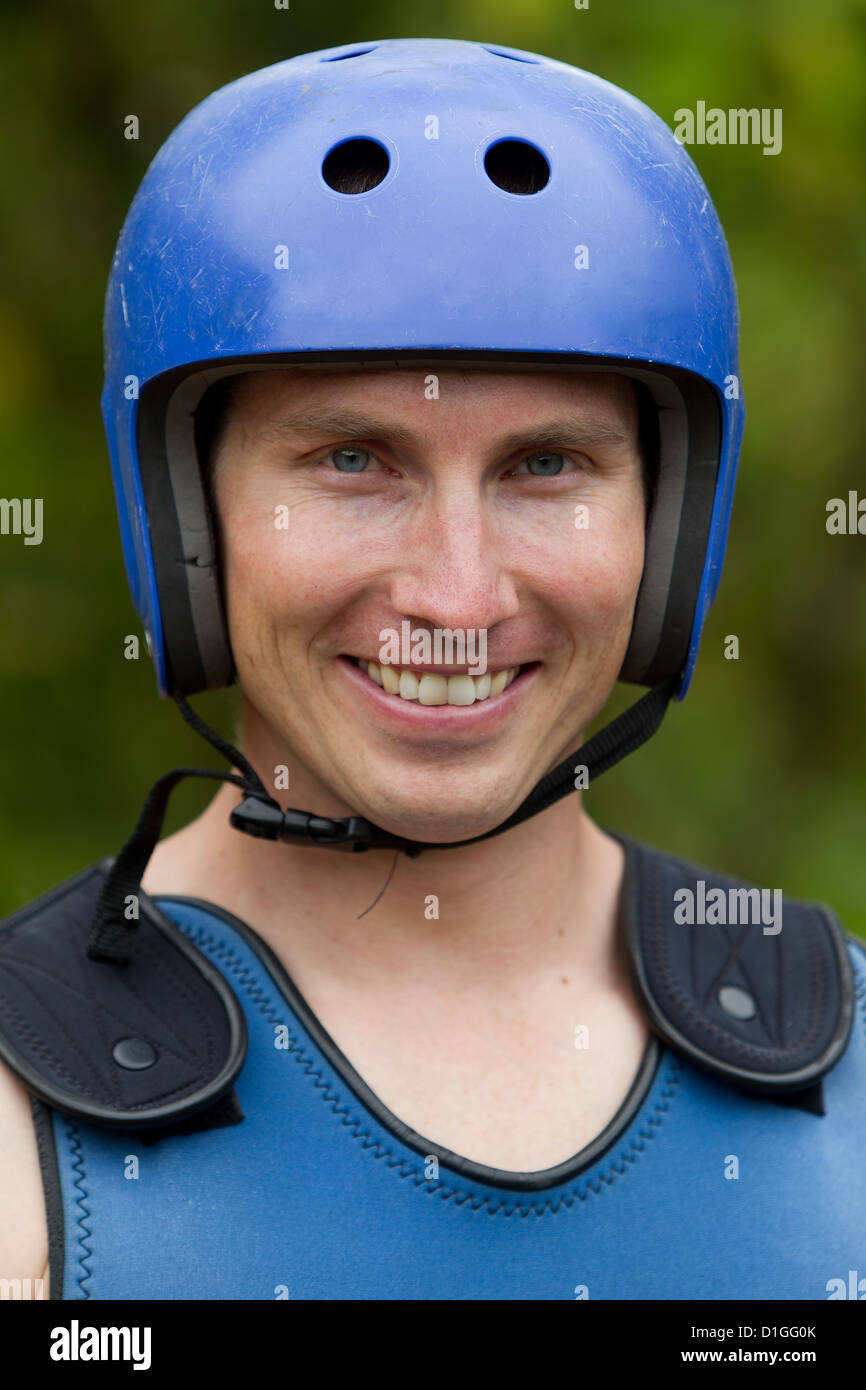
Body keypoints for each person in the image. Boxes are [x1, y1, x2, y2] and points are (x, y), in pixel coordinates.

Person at [1, 37, 863, 1303]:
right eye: (353, 460)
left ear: (665, 529)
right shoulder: (20, 1141)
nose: (456, 593)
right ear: (188, 522)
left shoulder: (846, 1061)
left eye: (544, 466)